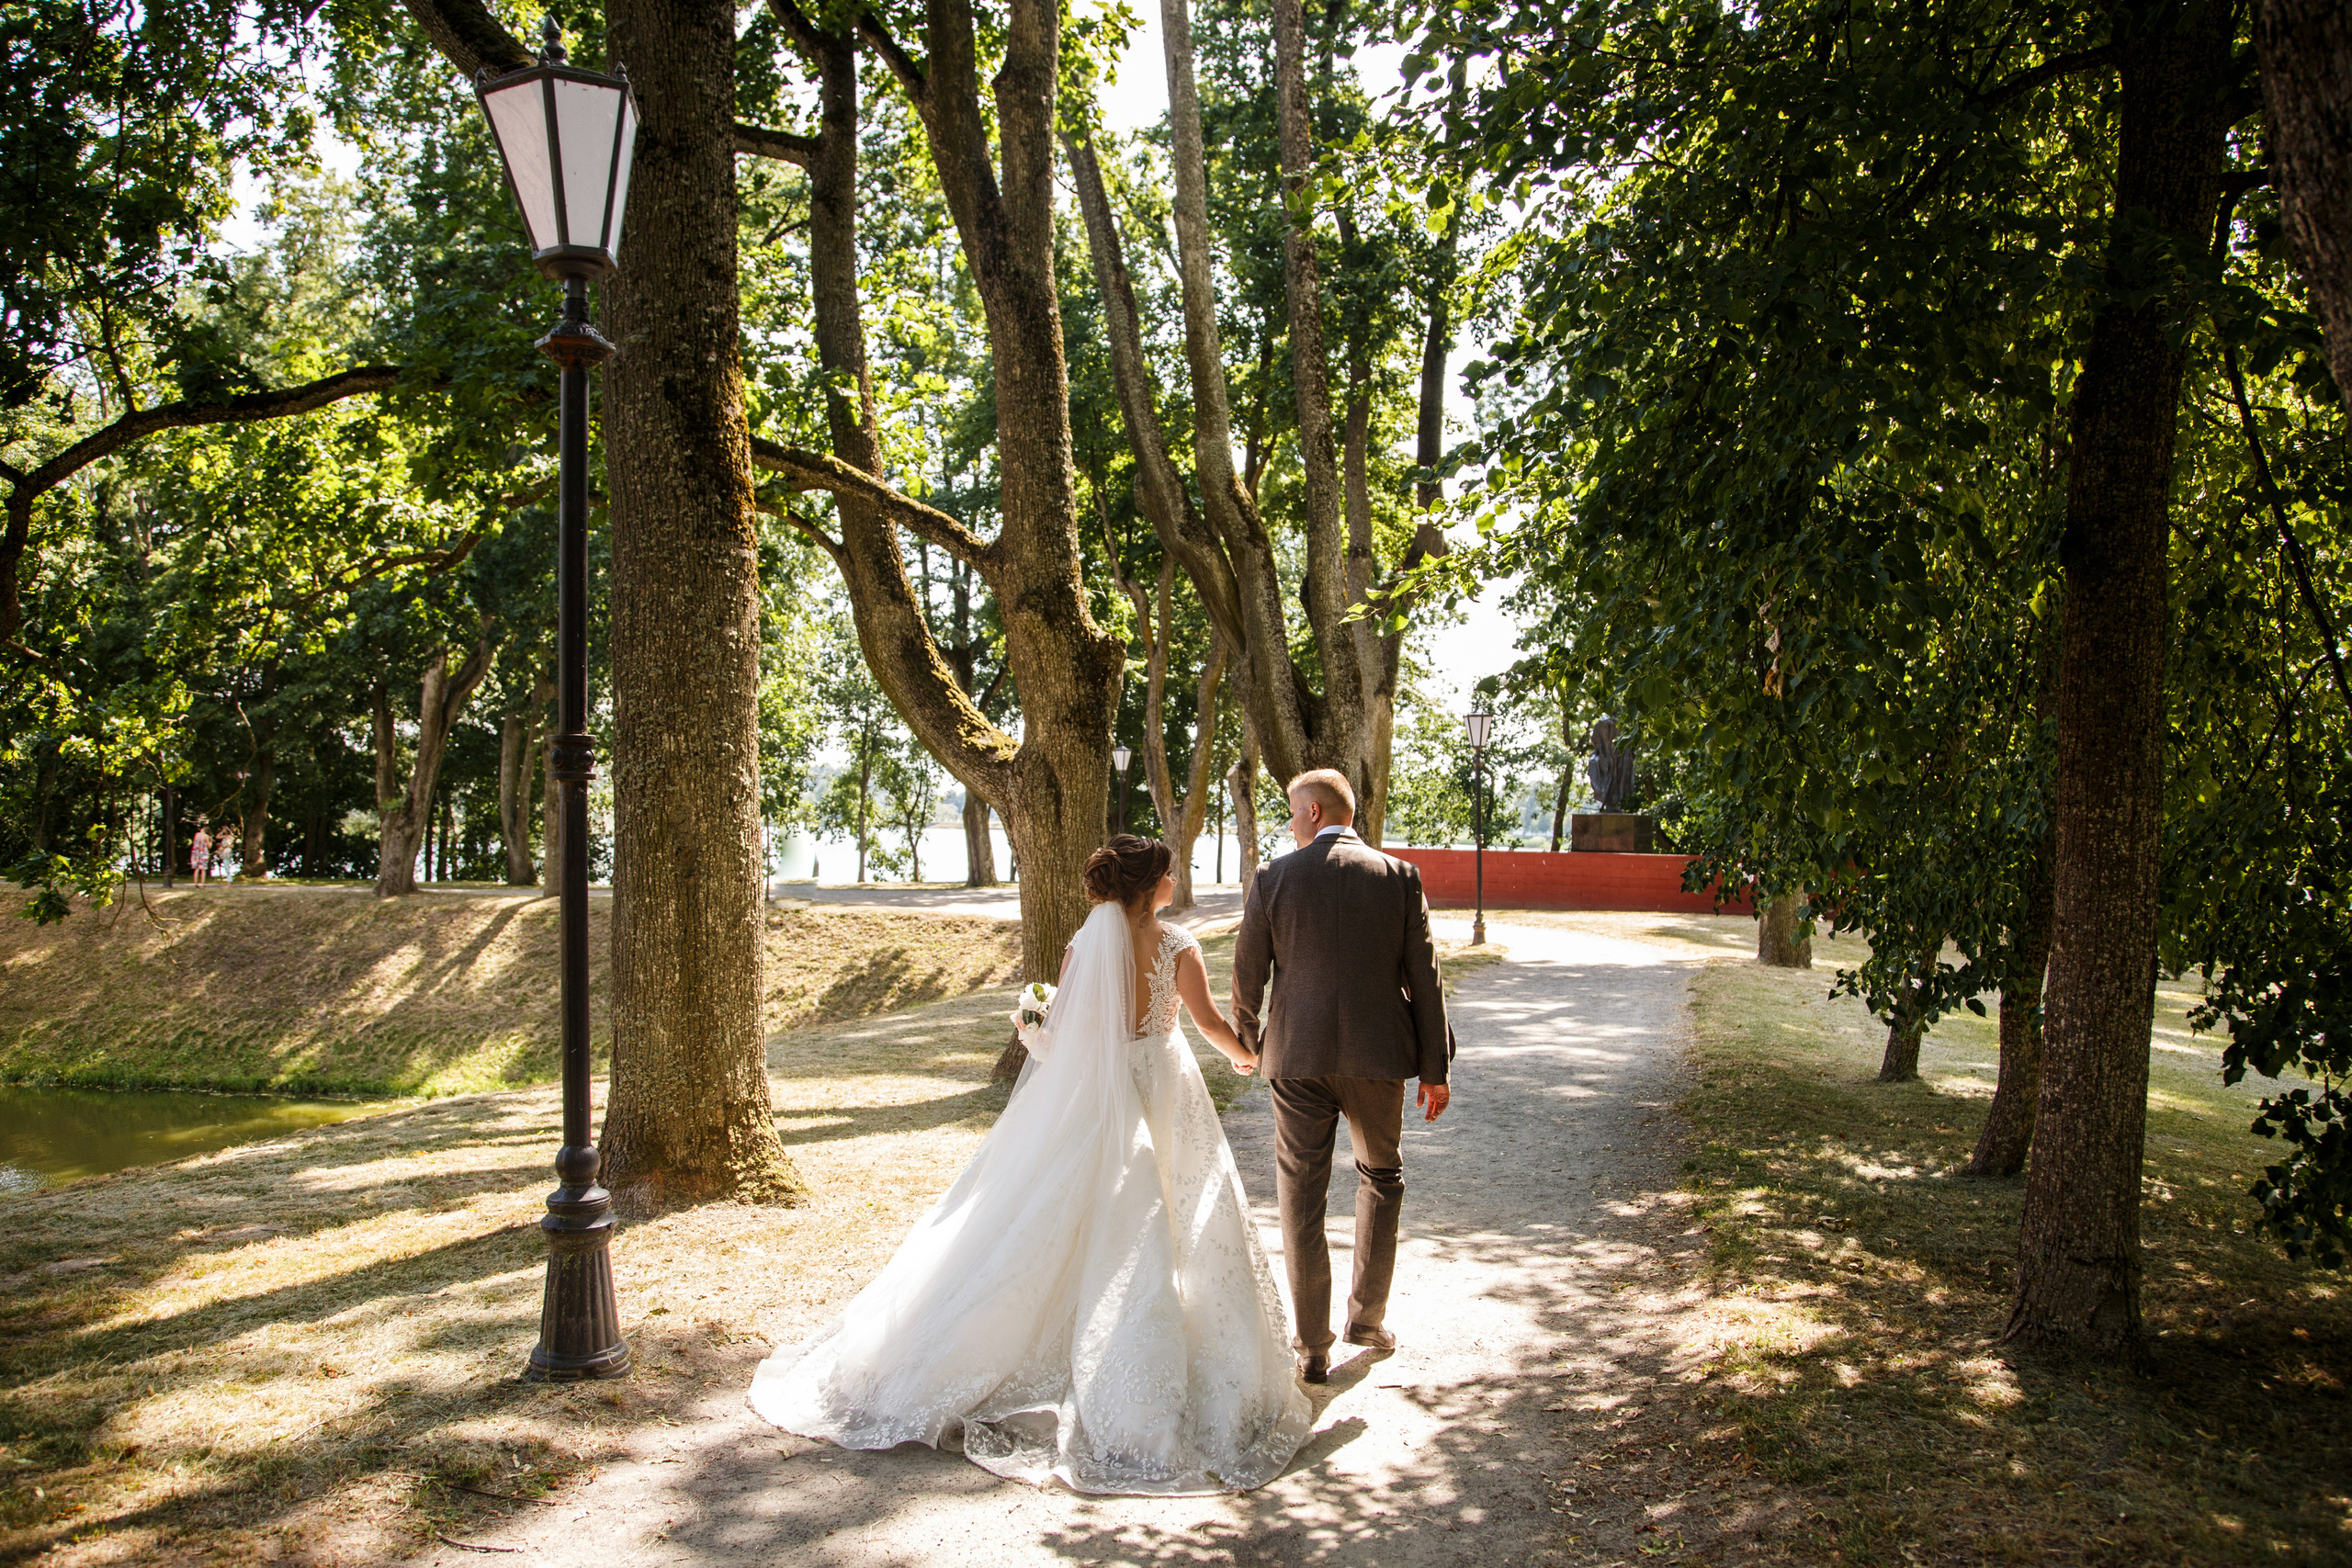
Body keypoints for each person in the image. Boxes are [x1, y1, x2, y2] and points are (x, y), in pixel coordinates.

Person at [750, 835, 1311, 1495]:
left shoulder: (1084, 945)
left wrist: (1035, 1027)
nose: (1173, 879)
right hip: (1163, 1084)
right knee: (1162, 1214)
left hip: (1101, 1096)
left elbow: (1067, 1034)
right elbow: (1210, 1022)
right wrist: (1244, 1057)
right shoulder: (1178, 946)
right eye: (1166, 872)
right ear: (1148, 884)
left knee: (1085, 1214)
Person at [1231, 768, 1453, 1384]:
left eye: (1290, 811)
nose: (1290, 821)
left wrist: (1247, 1043)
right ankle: (1365, 1318)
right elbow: (1425, 978)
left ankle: (1311, 1346)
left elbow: (1247, 973)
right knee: (1381, 1175)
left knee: (1301, 1195)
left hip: (1296, 1057)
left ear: (1311, 811)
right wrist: (1434, 1070)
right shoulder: (1399, 876)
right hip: (1378, 1054)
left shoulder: (1274, 877)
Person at [189, 821, 213, 886]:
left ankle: (196, 883)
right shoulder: (206, 836)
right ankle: (202, 884)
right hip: (203, 853)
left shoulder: (196, 834)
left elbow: (195, 842)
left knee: (196, 868)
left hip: (196, 852)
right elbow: (209, 846)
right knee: (203, 869)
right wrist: (210, 840)